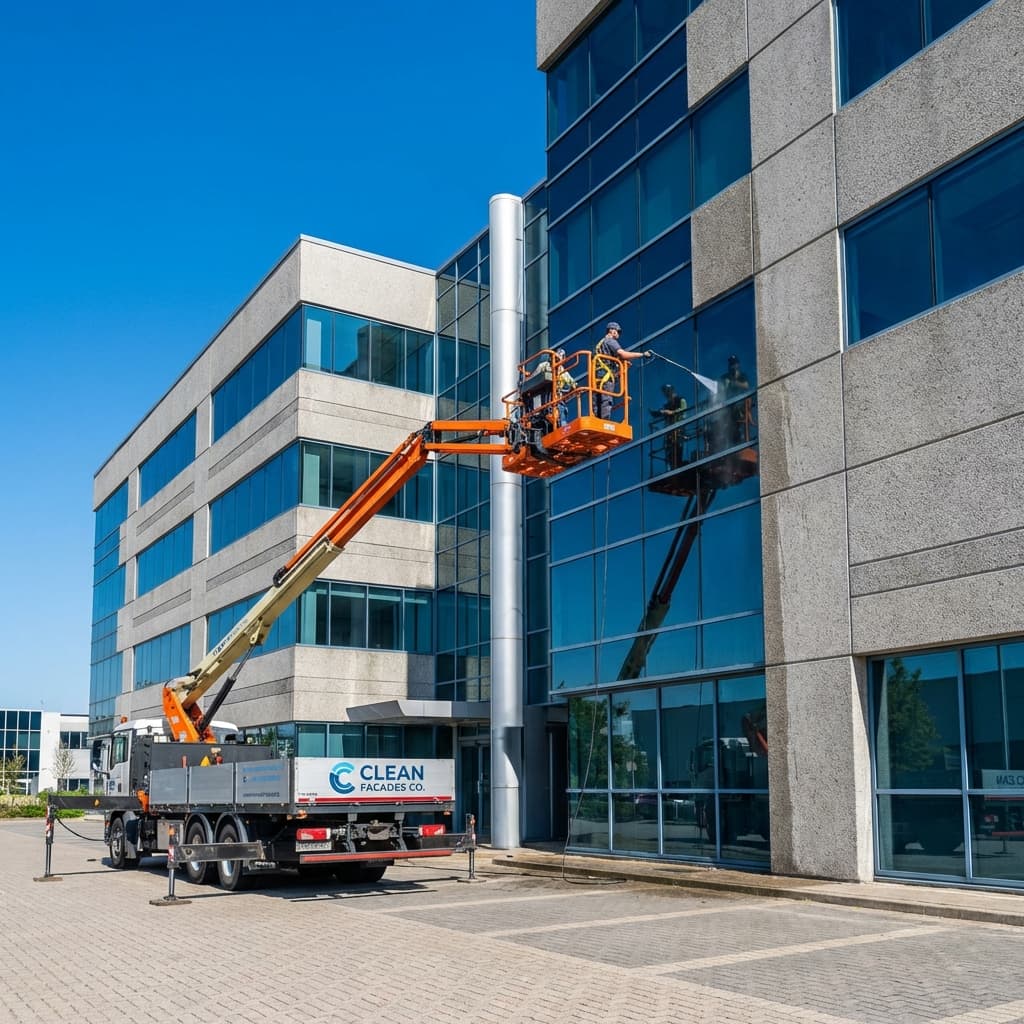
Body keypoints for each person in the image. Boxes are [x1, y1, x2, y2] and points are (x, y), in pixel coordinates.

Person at [594, 322, 651, 419]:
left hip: (598, 377)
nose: (618, 334)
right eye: (616, 331)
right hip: (605, 376)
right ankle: (604, 421)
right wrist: (642, 354)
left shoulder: (600, 344)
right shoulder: (610, 341)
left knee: (598, 401)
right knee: (606, 400)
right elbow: (623, 354)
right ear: (611, 330)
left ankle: (597, 420)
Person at [534, 348, 576, 426]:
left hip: (557, 400)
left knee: (561, 411)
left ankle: (562, 429)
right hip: (544, 399)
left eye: (559, 359)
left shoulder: (562, 371)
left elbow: (573, 383)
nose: (557, 362)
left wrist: (572, 389)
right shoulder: (544, 366)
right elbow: (533, 379)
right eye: (555, 358)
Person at [651, 382, 687, 468]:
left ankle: (678, 466)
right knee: (670, 453)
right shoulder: (667, 405)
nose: (666, 395)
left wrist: (672, 412)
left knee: (677, 449)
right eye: (665, 393)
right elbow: (661, 412)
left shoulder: (681, 400)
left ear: (672, 392)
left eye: (668, 392)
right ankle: (673, 466)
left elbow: (683, 411)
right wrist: (658, 413)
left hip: (679, 430)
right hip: (670, 432)